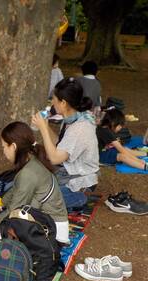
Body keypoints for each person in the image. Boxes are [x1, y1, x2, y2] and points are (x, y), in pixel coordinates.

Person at [0, 122, 69, 245]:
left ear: (13, 146)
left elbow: (13, 211)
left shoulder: (28, 172)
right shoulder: (30, 159)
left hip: (51, 230)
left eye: (4, 147)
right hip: (43, 218)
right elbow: (15, 190)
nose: (4, 151)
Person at [31, 77, 99, 210]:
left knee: (38, 200)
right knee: (31, 185)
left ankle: (80, 198)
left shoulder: (81, 126)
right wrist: (45, 126)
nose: (51, 103)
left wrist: (44, 128)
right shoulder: (73, 118)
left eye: (53, 99)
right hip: (67, 172)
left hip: (80, 180)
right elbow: (61, 144)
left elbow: (55, 158)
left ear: (63, 103)